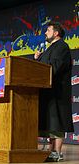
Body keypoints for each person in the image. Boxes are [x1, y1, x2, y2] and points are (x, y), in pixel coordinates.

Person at [34, 21, 74, 162]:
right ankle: (52, 152)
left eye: (48, 30)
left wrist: (41, 63)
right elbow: (45, 67)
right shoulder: (51, 48)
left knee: (57, 122)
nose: (45, 32)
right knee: (51, 123)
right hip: (48, 92)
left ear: (56, 33)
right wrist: (37, 59)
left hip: (57, 92)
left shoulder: (61, 46)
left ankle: (57, 152)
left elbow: (54, 67)